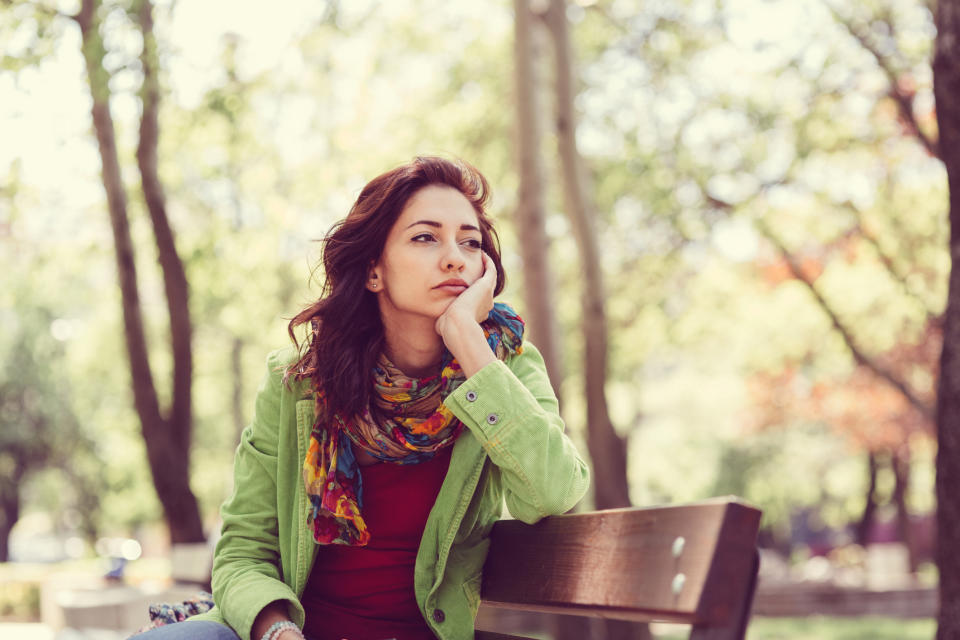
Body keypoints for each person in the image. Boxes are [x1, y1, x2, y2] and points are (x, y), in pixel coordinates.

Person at [137, 156, 590, 640]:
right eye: (425, 237)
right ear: (374, 270)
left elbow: (554, 493)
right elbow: (244, 552)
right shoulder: (300, 383)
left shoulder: (504, 368)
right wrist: (279, 633)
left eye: (470, 241)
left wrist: (468, 339)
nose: (455, 256)